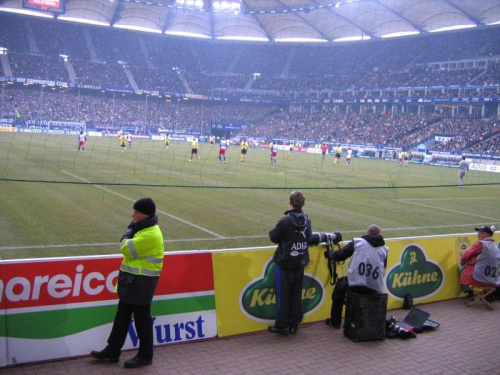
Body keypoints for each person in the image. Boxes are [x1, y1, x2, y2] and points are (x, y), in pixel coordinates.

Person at [91, 198, 164, 369]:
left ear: (145, 215)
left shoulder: (150, 234)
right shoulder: (144, 228)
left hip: (142, 284)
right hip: (132, 282)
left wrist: (129, 229)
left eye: (136, 212)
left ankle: (146, 355)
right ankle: (112, 350)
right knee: (122, 317)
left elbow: (124, 247)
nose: (133, 215)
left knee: (142, 320)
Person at [324, 224, 389, 328]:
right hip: (375, 287)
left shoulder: (358, 242)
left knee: (339, 289)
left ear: (367, 232)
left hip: (356, 284)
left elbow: (340, 256)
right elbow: (383, 268)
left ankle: (335, 321)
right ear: (379, 235)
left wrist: (329, 254)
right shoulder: (384, 250)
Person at [268, 191, 312, 335]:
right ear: (303, 203)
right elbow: (309, 238)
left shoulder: (285, 221)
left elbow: (274, 237)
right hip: (300, 262)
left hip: (285, 264)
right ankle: (294, 324)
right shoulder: (307, 220)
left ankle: (282, 325)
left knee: (283, 295)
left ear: (290, 203)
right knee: (295, 295)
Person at [459, 225, 500, 299]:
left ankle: (469, 293)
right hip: (493, 281)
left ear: (485, 234)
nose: (477, 234)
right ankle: (489, 295)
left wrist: (462, 263)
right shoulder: (496, 248)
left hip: (477, 279)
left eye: (480, 233)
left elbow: (464, 256)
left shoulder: (480, 244)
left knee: (460, 268)